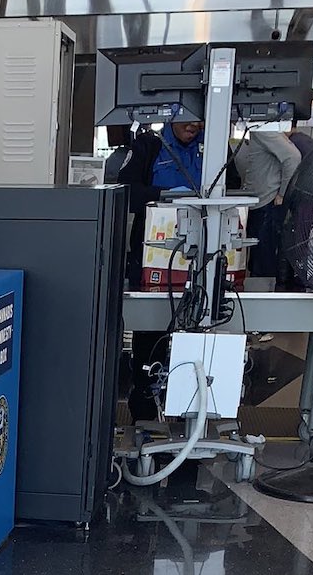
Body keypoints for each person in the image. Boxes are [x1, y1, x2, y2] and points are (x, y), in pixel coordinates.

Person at [118, 121, 204, 423]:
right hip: (153, 260)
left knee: (195, 333)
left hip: (201, 262)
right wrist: (165, 194)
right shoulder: (150, 145)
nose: (194, 125)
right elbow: (127, 190)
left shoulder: (212, 145)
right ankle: (143, 410)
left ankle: (187, 411)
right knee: (151, 334)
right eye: (188, 117)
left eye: (200, 119)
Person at [233, 129, 301, 283]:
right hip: (259, 202)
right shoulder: (265, 133)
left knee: (262, 263)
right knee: (260, 260)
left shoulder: (265, 131)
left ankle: (261, 294)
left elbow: (293, 157)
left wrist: (283, 194)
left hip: (266, 203)